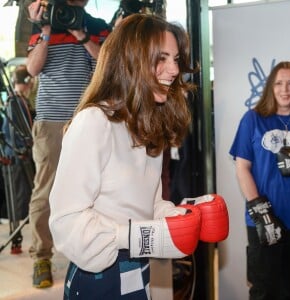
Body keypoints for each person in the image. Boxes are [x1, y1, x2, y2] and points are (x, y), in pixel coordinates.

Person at [48, 14, 228, 300]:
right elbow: (67, 224)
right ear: (132, 60)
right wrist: (137, 236)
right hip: (99, 276)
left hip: (138, 270)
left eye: (176, 59)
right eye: (163, 58)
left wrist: (181, 217)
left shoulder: (145, 125)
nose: (173, 69)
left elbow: (147, 205)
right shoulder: (94, 122)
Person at [26, 0, 111, 288]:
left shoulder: (96, 26)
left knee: (93, 188)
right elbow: (33, 69)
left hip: (86, 120)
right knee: (45, 188)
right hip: (50, 121)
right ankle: (41, 256)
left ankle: (87, 248)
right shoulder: (44, 24)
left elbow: (108, 65)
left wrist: (82, 36)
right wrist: (46, 32)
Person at [230, 61, 290, 300]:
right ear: (271, 87)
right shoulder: (252, 119)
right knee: (264, 290)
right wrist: (261, 211)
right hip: (263, 221)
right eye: (279, 83)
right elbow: (242, 167)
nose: (285, 89)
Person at [0, 64, 35, 254]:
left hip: (20, 153)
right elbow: (14, 131)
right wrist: (23, 148)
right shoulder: (15, 102)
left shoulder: (19, 100)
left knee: (25, 194)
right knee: (20, 197)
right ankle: (16, 239)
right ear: (28, 82)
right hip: (15, 156)